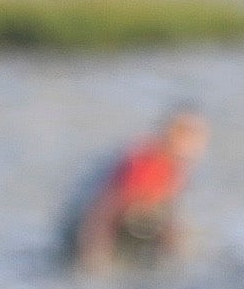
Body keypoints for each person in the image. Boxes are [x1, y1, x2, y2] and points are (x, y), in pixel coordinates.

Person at [62, 109, 207, 270]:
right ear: (170, 132)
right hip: (95, 230)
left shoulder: (176, 168)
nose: (194, 142)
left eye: (198, 134)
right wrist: (94, 263)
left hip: (129, 229)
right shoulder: (147, 164)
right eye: (185, 131)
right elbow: (103, 211)